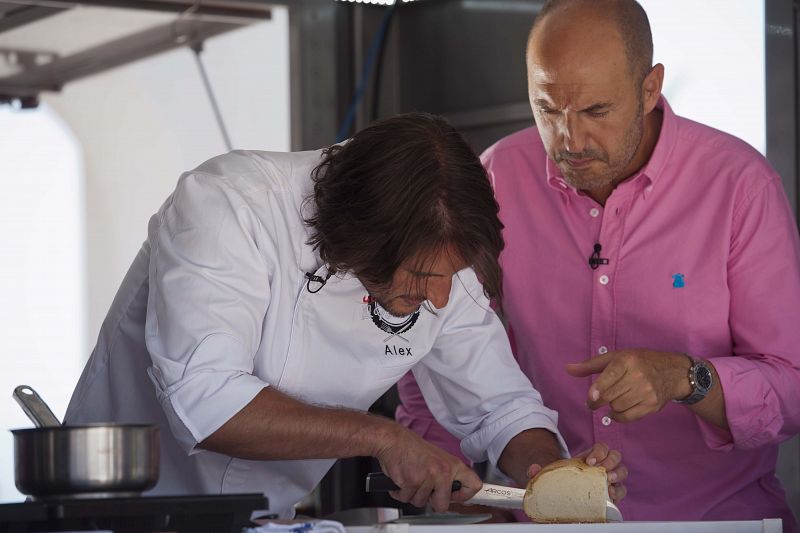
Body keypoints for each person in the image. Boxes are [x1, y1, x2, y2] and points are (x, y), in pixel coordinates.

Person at [64, 112, 625, 519]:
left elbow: (500, 407)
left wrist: (554, 476)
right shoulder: (228, 205)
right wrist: (385, 439)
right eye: (419, 279)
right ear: (358, 239)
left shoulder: (439, 252)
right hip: (114, 513)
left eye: (447, 280)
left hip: (261, 519)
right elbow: (208, 405)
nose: (436, 301)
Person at [396, 0, 800, 529]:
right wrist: (453, 481)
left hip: (714, 520)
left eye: (595, 112)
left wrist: (686, 377)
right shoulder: (494, 179)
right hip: (540, 523)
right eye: (548, 110)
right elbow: (435, 341)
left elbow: (790, 388)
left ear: (650, 88)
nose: (570, 140)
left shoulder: (741, 187)